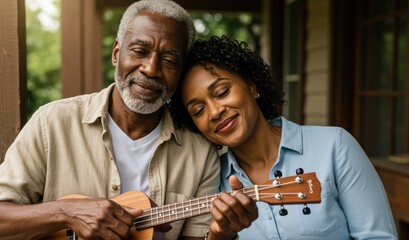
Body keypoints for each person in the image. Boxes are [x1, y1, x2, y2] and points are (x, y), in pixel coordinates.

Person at [0, 1, 256, 240]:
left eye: (169, 60)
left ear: (180, 73)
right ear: (116, 53)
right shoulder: (52, 123)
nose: (151, 69)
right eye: (140, 51)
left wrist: (222, 234)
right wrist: (67, 212)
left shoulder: (200, 153)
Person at [169, 35, 398, 239]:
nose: (215, 112)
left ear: (252, 85)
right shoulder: (210, 181)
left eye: (222, 92)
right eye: (198, 110)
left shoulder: (334, 146)